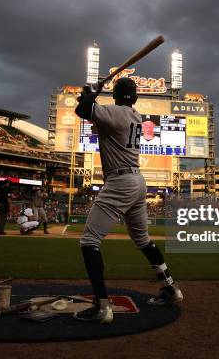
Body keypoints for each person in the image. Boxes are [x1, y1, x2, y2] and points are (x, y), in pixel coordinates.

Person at [72, 77, 183, 324]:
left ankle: (102, 306)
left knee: (89, 240)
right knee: (143, 240)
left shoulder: (116, 113)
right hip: (137, 182)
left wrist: (92, 91)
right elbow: (89, 109)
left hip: (120, 182)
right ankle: (170, 288)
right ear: (134, 97)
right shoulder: (135, 116)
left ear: (116, 96)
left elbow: (82, 110)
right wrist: (91, 93)